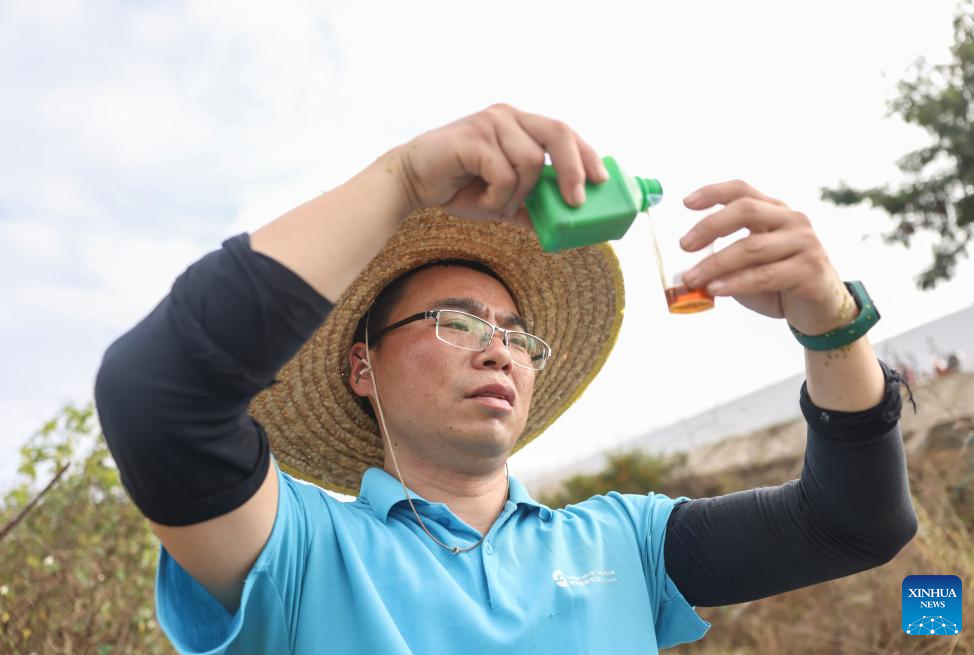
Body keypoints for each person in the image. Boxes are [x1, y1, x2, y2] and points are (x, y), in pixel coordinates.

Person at [94, 104, 918, 654]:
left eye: (518, 335)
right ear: (361, 365)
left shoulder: (623, 543)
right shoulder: (300, 550)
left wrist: (832, 322)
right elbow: (157, 398)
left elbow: (851, 524)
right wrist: (404, 180)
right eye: (456, 322)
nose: (499, 350)